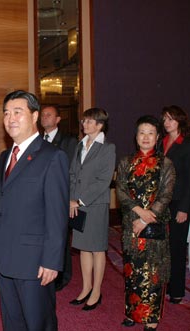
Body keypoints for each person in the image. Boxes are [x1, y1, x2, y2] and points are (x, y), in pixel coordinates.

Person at [0, 90, 69, 330]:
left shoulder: (53, 156)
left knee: (38, 322)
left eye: (17, 112)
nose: (10, 118)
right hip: (4, 256)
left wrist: (52, 261)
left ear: (34, 116)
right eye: (6, 113)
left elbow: (57, 215)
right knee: (12, 321)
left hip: (34, 261)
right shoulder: (5, 156)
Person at [116, 115, 175, 331]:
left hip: (153, 224)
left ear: (158, 137)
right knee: (132, 270)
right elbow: (121, 190)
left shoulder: (166, 164)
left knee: (153, 271)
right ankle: (132, 312)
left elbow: (166, 195)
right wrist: (138, 213)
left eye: (151, 133)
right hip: (131, 224)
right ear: (136, 136)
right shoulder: (125, 162)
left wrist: (145, 218)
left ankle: (151, 317)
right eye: (142, 132)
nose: (146, 137)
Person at [69, 108, 116, 311]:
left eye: (89, 121)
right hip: (76, 203)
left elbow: (103, 181)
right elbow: (72, 173)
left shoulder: (107, 147)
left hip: (94, 204)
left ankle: (97, 291)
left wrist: (80, 200)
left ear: (100, 125)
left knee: (97, 248)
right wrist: (71, 198)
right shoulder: (80, 145)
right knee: (83, 247)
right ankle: (86, 287)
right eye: (84, 121)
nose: (85, 124)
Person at [41, 105, 78, 291]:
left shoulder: (69, 141)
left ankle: (62, 277)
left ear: (57, 120)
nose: (44, 117)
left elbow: (71, 172)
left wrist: (71, 197)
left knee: (60, 236)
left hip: (60, 194)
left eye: (49, 115)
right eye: (43, 115)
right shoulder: (37, 140)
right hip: (41, 197)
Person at [159, 105, 190, 304]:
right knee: (165, 247)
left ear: (179, 120)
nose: (167, 122)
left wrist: (185, 208)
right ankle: (168, 284)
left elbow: (189, 179)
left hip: (180, 202)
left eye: (170, 118)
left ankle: (177, 289)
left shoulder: (186, 144)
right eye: (164, 119)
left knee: (177, 247)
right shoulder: (161, 142)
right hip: (163, 202)